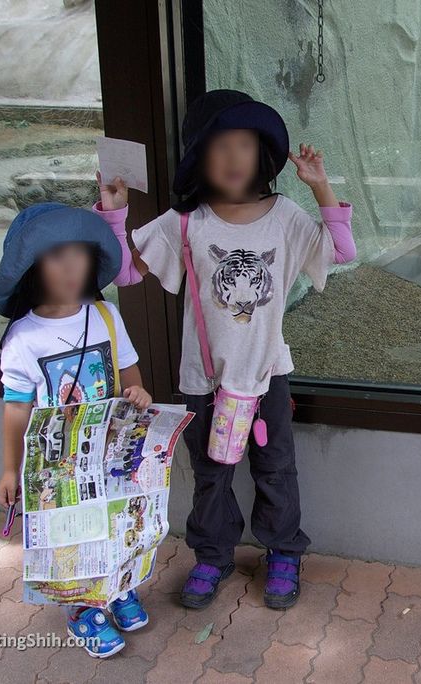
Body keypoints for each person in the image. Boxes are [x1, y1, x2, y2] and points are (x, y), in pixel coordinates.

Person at [97, 89, 356, 610]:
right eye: (218, 147)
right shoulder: (187, 222)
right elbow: (125, 272)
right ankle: (212, 556)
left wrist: (320, 187)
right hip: (204, 378)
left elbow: (342, 251)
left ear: (260, 154)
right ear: (201, 159)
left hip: (267, 374)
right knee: (210, 473)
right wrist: (114, 210)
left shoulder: (283, 215)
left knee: (276, 466)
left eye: (243, 145)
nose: (233, 158)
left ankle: (283, 551)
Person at [0, 203, 153, 658]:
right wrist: (10, 469)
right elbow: (15, 409)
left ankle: (116, 587)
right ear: (31, 267)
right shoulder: (23, 338)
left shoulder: (105, 316)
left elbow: (130, 376)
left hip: (107, 454)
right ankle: (84, 611)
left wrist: (138, 394)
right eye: (55, 255)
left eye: (80, 254)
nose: (71, 266)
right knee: (71, 537)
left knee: (111, 526)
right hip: (58, 465)